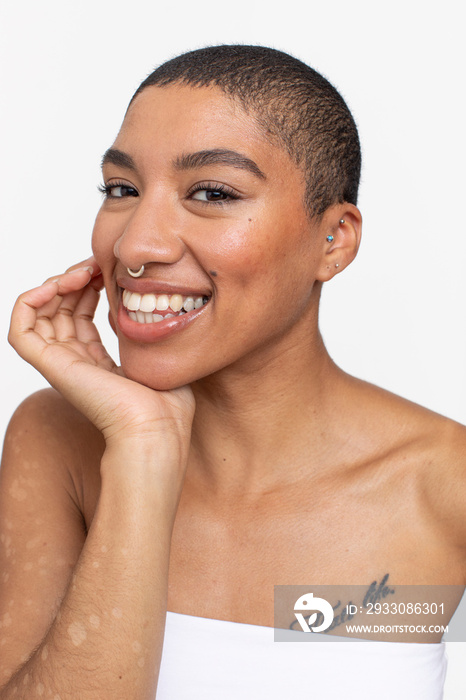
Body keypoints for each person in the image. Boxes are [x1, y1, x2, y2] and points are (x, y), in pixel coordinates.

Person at [0, 45, 464, 699]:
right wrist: (142, 452)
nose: (135, 245)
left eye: (212, 193)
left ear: (333, 240)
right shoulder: (59, 441)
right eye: (121, 190)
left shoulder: (447, 485)